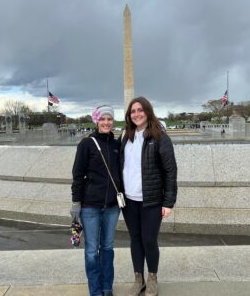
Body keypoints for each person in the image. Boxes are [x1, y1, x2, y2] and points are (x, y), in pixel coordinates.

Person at [120, 96, 178, 296]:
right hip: (128, 201)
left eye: (140, 110)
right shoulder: (126, 136)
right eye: (132, 111)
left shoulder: (159, 136)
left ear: (147, 111)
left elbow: (170, 171)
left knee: (149, 240)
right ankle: (139, 279)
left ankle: (152, 277)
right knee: (135, 239)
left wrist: (169, 202)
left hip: (151, 200)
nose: (136, 114)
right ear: (129, 115)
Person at [71, 105, 121, 296]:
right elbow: (77, 175)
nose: (106, 122)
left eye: (109, 119)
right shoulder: (86, 144)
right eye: (103, 119)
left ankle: (107, 287)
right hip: (90, 206)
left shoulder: (117, 145)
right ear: (96, 121)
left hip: (112, 207)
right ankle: (95, 290)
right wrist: (76, 203)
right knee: (92, 251)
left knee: (108, 248)